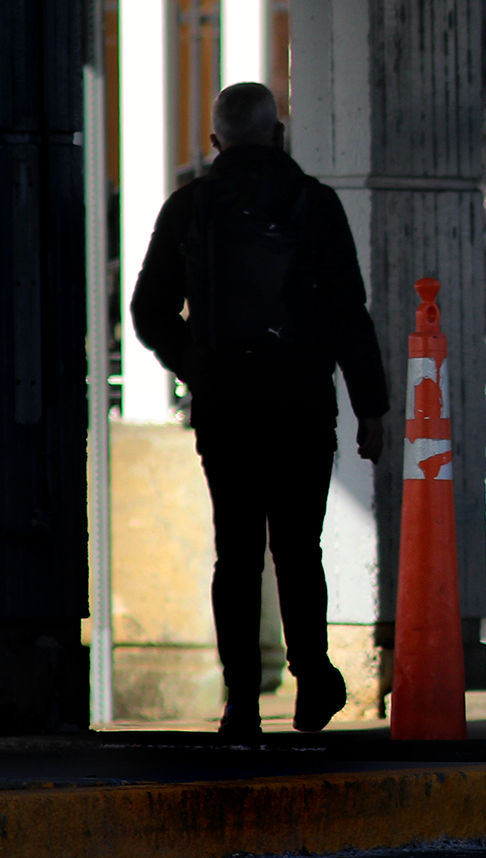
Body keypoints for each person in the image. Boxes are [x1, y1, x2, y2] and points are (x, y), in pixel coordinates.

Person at [130, 82, 391, 736]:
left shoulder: (190, 206)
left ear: (216, 141)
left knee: (236, 553)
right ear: (278, 133)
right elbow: (346, 313)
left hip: (227, 407)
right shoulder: (317, 205)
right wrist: (372, 407)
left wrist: (201, 367)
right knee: (299, 548)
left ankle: (242, 701)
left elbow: (148, 310)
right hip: (302, 402)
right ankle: (311, 678)